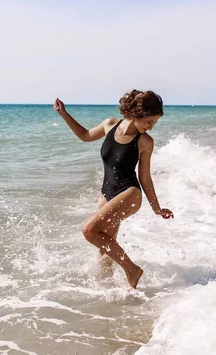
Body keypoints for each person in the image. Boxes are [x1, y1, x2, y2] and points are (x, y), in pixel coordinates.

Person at [54, 90, 173, 289]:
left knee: (90, 231)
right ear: (138, 112)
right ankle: (106, 290)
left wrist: (156, 208)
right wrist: (64, 114)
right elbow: (84, 135)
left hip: (129, 193)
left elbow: (145, 177)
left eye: (154, 123)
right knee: (105, 248)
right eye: (150, 121)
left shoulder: (145, 142)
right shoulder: (110, 124)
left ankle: (132, 269)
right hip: (107, 192)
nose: (151, 128)